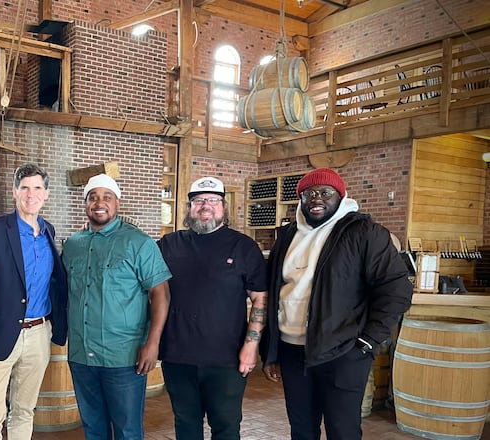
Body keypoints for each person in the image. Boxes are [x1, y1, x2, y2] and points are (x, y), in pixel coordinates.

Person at [259, 168, 413, 440]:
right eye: (309, 194)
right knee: (302, 431)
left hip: (342, 353)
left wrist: (368, 341)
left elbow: (396, 289)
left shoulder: (365, 233)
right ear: (301, 199)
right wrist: (271, 350)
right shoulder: (286, 236)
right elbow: (275, 293)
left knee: (342, 432)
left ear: (340, 197)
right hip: (292, 352)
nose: (316, 199)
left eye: (325, 193)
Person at [62, 173, 171, 440]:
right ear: (85, 203)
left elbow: (161, 294)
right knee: (93, 428)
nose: (100, 203)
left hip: (123, 357)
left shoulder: (139, 243)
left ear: (117, 203)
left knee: (127, 430)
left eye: (106, 197)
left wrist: (153, 344)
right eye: (93, 197)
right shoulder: (73, 245)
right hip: (81, 354)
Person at [157, 176, 268, 440]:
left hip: (227, 359)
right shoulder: (168, 245)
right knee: (185, 426)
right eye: (199, 200)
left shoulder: (244, 247)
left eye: (213, 200)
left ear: (224, 207)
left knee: (226, 427)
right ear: (189, 207)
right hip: (177, 356)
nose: (206, 205)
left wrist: (251, 346)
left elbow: (260, 299)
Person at [0, 163, 68, 440]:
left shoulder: (49, 231)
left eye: (37, 188)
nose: (30, 194)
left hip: (38, 334)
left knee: (24, 411)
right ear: (14, 192)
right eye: (24, 188)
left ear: (46, 194)